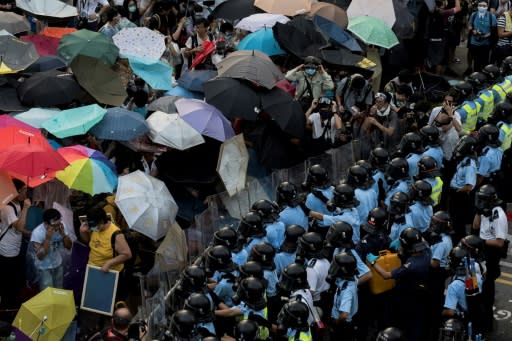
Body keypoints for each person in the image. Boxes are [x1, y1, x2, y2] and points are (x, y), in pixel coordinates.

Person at [367, 228, 432, 341]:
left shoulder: (411, 265)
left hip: (410, 296)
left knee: (407, 323)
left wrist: (373, 262)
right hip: (424, 291)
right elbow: (420, 238)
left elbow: (386, 275)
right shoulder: (427, 252)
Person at [471, 184, 508, 333]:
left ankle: (486, 326)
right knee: (476, 288)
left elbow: (500, 242)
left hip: (491, 253)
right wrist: (478, 211)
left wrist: (481, 242)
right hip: (481, 250)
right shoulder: (484, 211)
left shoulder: (498, 215)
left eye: (482, 201)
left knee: (486, 292)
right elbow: (475, 226)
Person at [0, 179, 31, 309]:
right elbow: (18, 227)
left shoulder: (16, 204)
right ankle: (6, 306)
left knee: (14, 277)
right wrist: (26, 208)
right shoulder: (7, 207)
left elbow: (18, 227)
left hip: (15, 247)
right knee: (8, 279)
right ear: (16, 191)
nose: (26, 192)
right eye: (24, 190)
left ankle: (11, 301)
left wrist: (26, 232)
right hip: (7, 249)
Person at [29, 208, 74, 290]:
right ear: (46, 223)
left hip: (57, 264)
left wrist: (64, 235)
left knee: (59, 289)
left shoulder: (61, 226)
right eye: (54, 225)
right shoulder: (37, 233)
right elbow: (40, 256)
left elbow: (69, 246)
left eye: (58, 224)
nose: (57, 227)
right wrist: (47, 239)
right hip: (44, 267)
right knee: (47, 292)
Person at [79, 207, 132, 273]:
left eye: (93, 225)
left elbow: (127, 254)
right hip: (93, 268)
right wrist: (82, 232)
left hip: (109, 271)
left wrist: (109, 263)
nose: (92, 228)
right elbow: (87, 241)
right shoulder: (95, 228)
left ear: (101, 221)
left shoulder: (116, 234)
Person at [328, 252, 359, 341]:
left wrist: (336, 323)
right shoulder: (352, 278)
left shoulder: (347, 291)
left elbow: (344, 315)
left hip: (343, 326)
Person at [467, 1, 497, 72]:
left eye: (484, 6)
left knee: (484, 62)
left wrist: (487, 35)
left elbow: (494, 29)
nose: (482, 7)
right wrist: (473, 30)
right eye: (480, 5)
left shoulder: (491, 16)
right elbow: (469, 25)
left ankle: (483, 77)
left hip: (485, 43)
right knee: (476, 61)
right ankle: (476, 76)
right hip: (474, 42)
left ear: (487, 7)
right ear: (477, 6)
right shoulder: (474, 14)